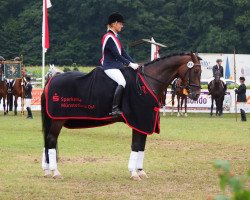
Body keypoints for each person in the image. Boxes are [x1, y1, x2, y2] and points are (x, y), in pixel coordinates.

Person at [101, 12, 139, 116]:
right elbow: (117, 56)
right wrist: (130, 64)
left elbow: (123, 53)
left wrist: (134, 63)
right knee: (122, 82)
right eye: (120, 24)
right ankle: (115, 109)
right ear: (114, 24)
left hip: (116, 66)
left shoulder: (116, 37)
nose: (122, 26)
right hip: (109, 66)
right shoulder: (108, 37)